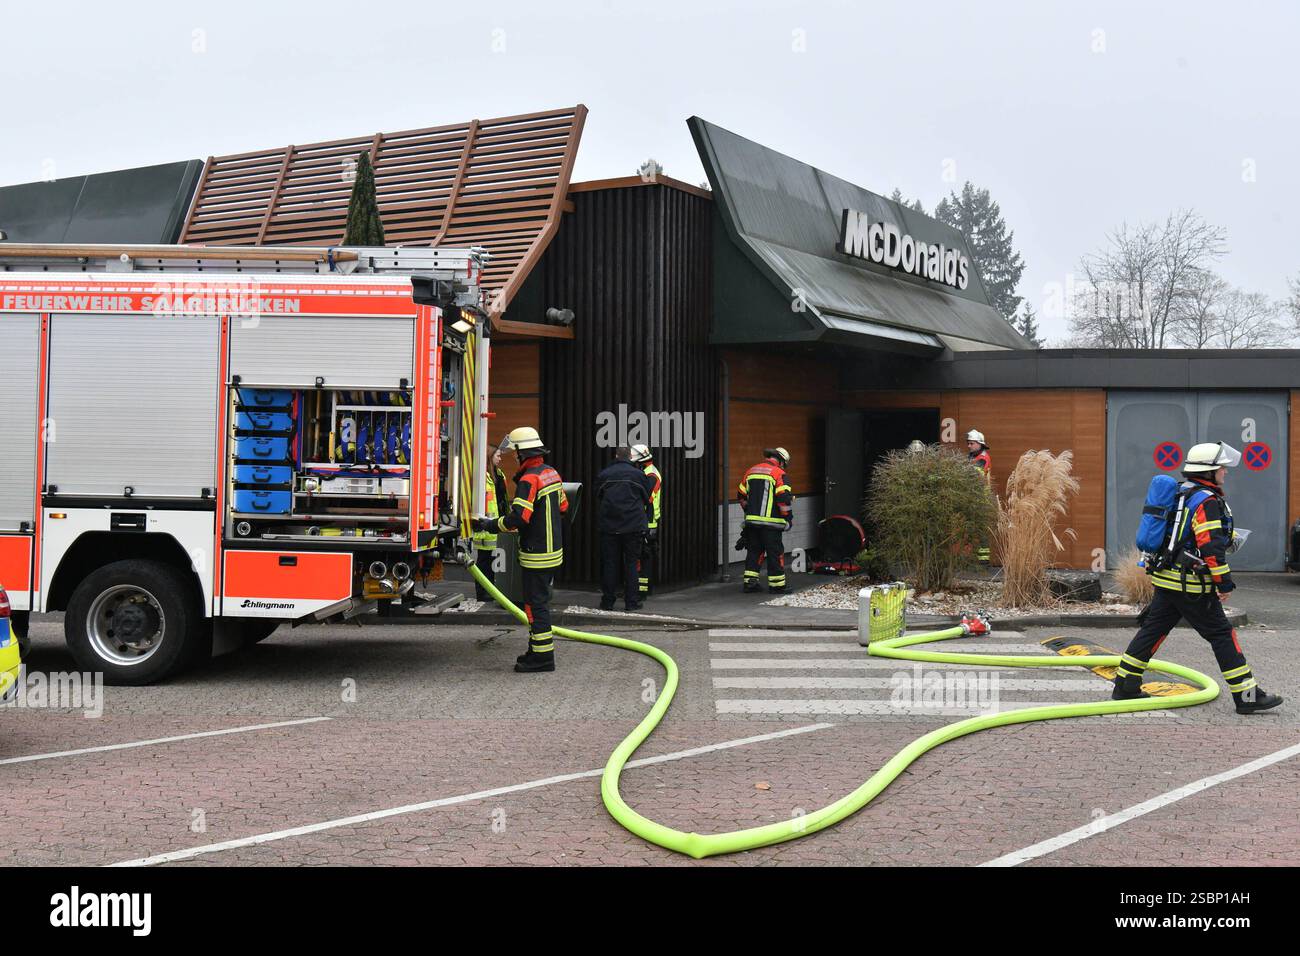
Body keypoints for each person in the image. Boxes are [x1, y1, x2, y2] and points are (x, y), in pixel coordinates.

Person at [1112, 441, 1282, 714]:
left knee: (1152, 631)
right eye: (1221, 468)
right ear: (1209, 472)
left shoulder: (1181, 493)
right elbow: (1211, 547)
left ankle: (1125, 685)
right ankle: (1247, 696)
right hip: (1191, 586)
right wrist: (1223, 583)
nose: (1225, 472)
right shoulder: (1207, 501)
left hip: (1167, 580)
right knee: (1222, 635)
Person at [473, 426, 569, 673]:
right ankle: (537, 650)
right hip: (553, 551)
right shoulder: (551, 473)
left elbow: (519, 518)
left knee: (535, 607)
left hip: (536, 553)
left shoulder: (529, 479)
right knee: (539, 604)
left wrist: (490, 524)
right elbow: (564, 506)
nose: (513, 457)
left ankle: (543, 658)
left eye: (515, 452)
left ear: (523, 452)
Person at [595, 446, 654, 611]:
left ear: (615, 455)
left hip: (609, 526)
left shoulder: (605, 474)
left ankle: (607, 602)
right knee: (631, 564)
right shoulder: (639, 475)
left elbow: (598, 495)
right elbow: (647, 497)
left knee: (610, 564)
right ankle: (631, 603)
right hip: (633, 526)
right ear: (630, 457)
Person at [739, 447, 794, 594]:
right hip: (772, 524)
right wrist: (788, 518)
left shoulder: (751, 471)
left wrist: (749, 512)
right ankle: (777, 585)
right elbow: (783, 500)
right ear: (782, 461)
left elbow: (741, 496)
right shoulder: (779, 473)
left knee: (754, 551)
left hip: (752, 523)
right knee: (775, 553)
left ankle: (750, 584)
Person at [471, 449, 510, 602]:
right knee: (484, 562)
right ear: (489, 456)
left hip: (498, 525)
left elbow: (503, 500)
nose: (500, 458)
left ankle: (492, 591)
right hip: (485, 527)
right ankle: (482, 593)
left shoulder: (499, 475)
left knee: (494, 563)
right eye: (498, 455)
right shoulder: (481, 478)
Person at [631, 444, 662, 599]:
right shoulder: (648, 472)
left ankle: (642, 590)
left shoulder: (651, 475)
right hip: (646, 521)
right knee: (642, 556)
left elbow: (646, 498)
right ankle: (641, 588)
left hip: (648, 522)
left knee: (644, 556)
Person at [966, 429, 992, 563]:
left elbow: (972, 475)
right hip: (972, 498)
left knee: (981, 531)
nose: (969, 446)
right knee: (969, 529)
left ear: (979, 444)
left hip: (981, 500)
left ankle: (983, 562)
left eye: (971, 443)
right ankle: (971, 560)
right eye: (968, 443)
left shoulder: (983, 458)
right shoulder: (971, 457)